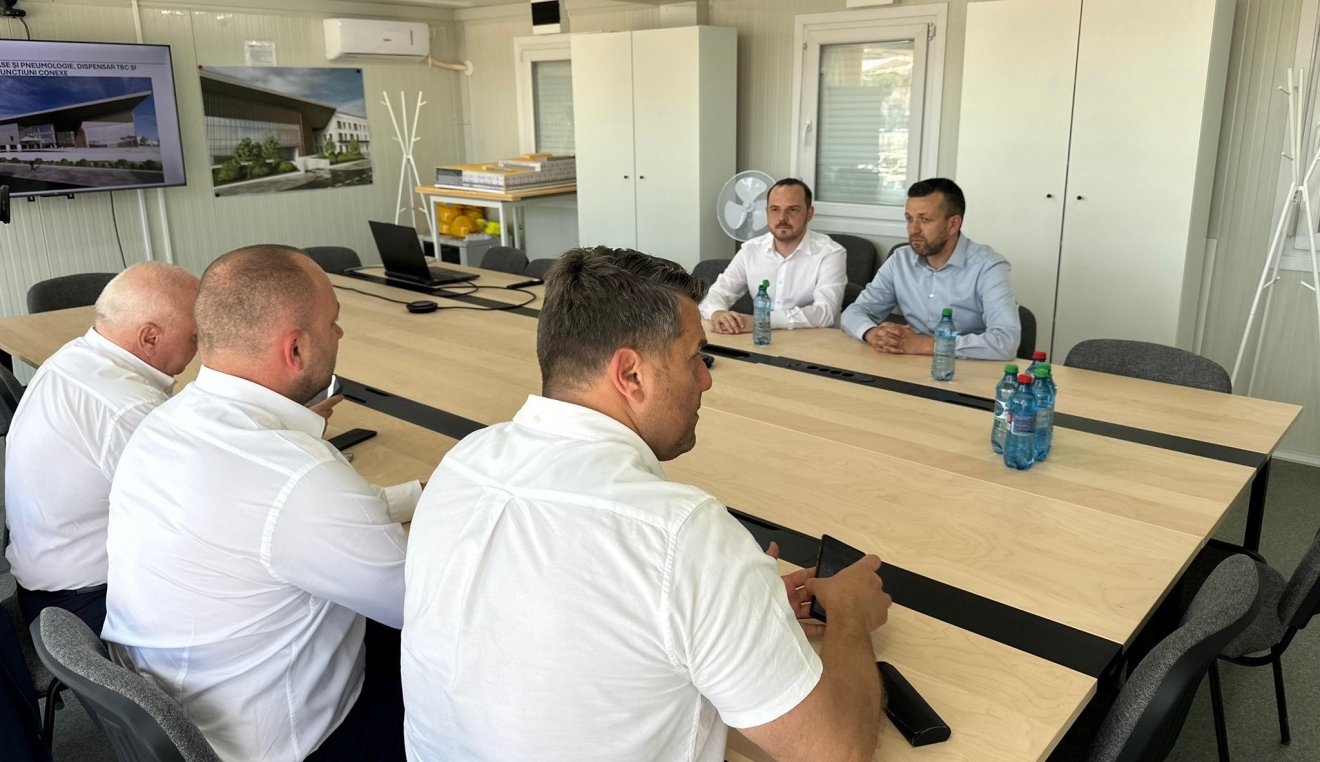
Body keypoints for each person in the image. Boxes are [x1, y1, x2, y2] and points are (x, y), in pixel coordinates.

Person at [402, 246, 892, 761]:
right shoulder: (681, 534)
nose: (706, 379)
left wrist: (735, 616)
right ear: (631, 375)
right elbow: (834, 752)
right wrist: (850, 616)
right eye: (695, 357)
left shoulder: (461, 463)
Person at [100, 246, 417, 762]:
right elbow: (421, 606)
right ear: (295, 349)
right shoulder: (299, 475)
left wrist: (415, 495)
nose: (340, 335)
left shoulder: (164, 421)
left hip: (184, 709)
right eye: (333, 323)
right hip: (289, 742)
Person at [4, 262, 199, 632]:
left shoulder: (76, 355)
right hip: (87, 606)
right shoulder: (129, 407)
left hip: (46, 579)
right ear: (150, 338)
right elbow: (203, 519)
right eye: (195, 336)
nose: (201, 346)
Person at [841, 178, 1020, 360]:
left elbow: (1006, 341)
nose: (913, 229)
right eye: (909, 219)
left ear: (953, 225)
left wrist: (925, 344)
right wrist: (873, 334)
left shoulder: (988, 267)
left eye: (925, 220)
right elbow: (854, 312)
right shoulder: (899, 260)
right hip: (912, 363)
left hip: (967, 367)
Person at [700, 178, 848, 333]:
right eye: (775, 209)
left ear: (809, 213)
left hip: (813, 341)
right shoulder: (750, 250)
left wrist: (762, 321)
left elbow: (825, 312)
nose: (782, 217)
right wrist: (717, 313)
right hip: (761, 339)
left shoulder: (830, 253)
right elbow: (718, 292)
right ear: (766, 212)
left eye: (793, 209)